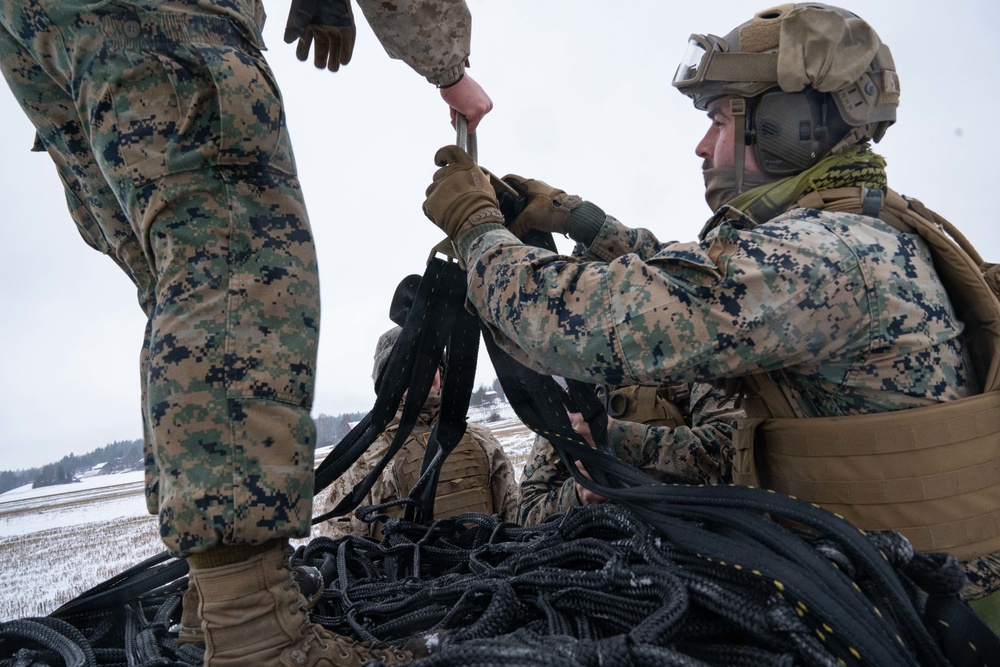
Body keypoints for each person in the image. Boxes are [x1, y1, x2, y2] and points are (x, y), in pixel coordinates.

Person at [420, 3, 1000, 632]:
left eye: (720, 120)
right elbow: (701, 283)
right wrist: (578, 221)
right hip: (908, 594)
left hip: (901, 617)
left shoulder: (818, 258)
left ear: (787, 127)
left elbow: (583, 324)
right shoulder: (866, 231)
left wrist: (477, 232)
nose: (702, 144)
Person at [0, 0, 492, 664]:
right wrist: (449, 67)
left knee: (187, 280)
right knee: (242, 265)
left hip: (43, 33)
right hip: (156, 21)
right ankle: (258, 638)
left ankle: (221, 603)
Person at [315, 325, 518, 540]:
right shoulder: (366, 459)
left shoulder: (482, 440)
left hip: (488, 570)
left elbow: (514, 519)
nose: (419, 373)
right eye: (405, 367)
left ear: (441, 370)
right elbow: (339, 548)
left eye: (428, 362)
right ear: (387, 382)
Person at [518, 382, 739, 525]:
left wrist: (617, 437)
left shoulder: (697, 369)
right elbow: (526, 515)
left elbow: (734, 458)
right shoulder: (570, 404)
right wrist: (577, 494)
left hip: (702, 543)